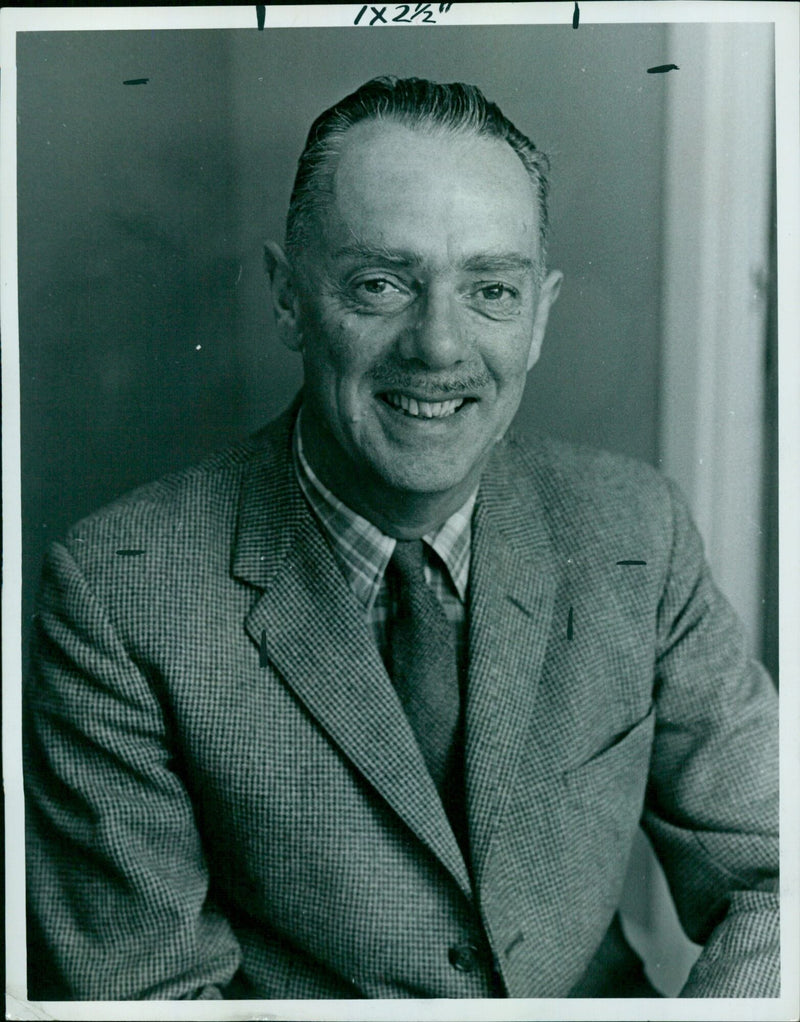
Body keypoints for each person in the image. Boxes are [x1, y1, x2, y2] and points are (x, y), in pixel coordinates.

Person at [24, 76, 778, 1002]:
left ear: (538, 317)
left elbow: (780, 873)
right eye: (382, 283)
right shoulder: (119, 592)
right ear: (289, 298)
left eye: (490, 290)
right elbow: (147, 997)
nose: (440, 346)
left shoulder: (635, 531)